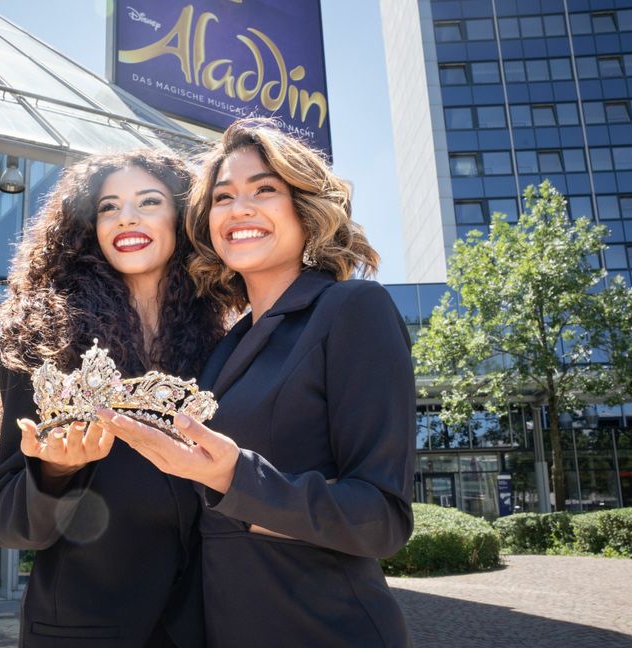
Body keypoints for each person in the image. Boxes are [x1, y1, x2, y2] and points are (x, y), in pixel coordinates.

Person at [98, 119, 416, 647]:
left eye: (264, 189)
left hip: (326, 630)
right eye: (223, 197)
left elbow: (381, 519)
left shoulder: (352, 310)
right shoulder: (225, 345)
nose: (239, 209)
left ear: (305, 208)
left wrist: (235, 479)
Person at [0, 149, 227, 647]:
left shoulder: (226, 335)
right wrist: (55, 472)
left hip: (204, 625)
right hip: (85, 628)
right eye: (109, 206)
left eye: (149, 201)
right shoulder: (40, 335)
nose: (126, 217)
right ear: (88, 227)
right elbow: (6, 520)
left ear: (183, 217)